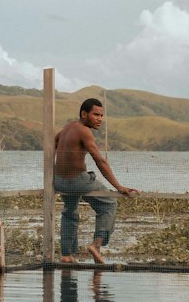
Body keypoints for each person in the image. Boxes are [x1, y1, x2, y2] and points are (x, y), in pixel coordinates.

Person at [54, 98, 138, 264]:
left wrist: (61, 163)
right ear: (84, 114)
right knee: (109, 204)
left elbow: (53, 143)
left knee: (70, 211)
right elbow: (100, 161)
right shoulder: (85, 131)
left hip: (59, 182)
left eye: (101, 115)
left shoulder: (68, 127)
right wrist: (118, 186)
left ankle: (66, 255)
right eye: (96, 114)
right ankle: (96, 245)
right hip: (77, 181)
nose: (100, 119)